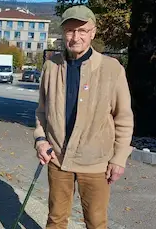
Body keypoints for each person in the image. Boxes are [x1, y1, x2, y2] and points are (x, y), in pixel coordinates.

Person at [33, 5, 134, 229]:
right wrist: (40, 140)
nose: (75, 37)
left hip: (96, 162)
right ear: (63, 33)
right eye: (70, 31)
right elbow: (42, 111)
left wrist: (118, 158)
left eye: (82, 31)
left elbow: (124, 118)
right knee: (56, 219)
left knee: (96, 222)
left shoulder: (112, 69)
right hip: (58, 159)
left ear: (93, 33)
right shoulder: (51, 66)